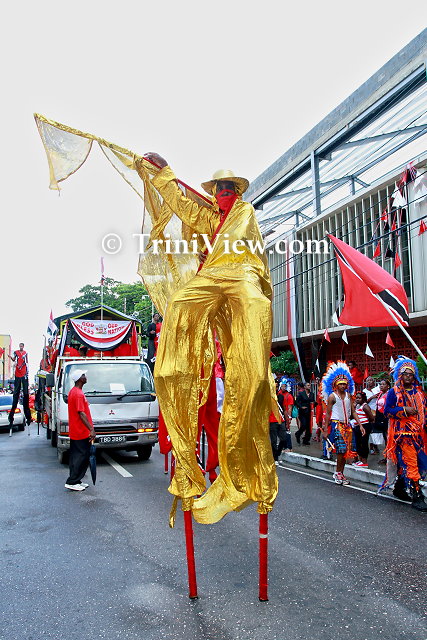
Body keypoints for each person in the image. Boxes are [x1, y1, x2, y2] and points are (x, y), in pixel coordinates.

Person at [143, 154, 278, 524]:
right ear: (215, 192)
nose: (224, 193)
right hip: (213, 276)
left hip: (242, 274)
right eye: (219, 188)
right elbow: (182, 205)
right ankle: (173, 371)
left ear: (237, 192)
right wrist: (164, 174)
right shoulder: (208, 217)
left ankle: (248, 468)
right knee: (179, 303)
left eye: (229, 188)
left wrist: (213, 238)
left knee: (256, 307)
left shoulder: (245, 212)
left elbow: (240, 241)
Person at [383, 356, 427, 511]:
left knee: (413, 463)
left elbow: (424, 412)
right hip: (402, 434)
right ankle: (417, 496)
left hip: (419, 434)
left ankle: (399, 488)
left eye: (410, 374)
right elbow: (387, 411)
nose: (408, 377)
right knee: (411, 463)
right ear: (400, 376)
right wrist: (404, 410)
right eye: (405, 374)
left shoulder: (419, 393)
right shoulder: (393, 392)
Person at [322, 361, 364, 485]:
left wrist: (360, 425)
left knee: (346, 452)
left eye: (344, 384)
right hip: (337, 425)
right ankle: (337, 472)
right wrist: (325, 430)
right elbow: (328, 414)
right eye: (340, 384)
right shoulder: (332, 397)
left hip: (348, 426)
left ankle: (341, 473)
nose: (342, 386)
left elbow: (353, 412)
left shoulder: (349, 396)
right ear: (336, 384)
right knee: (341, 450)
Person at [65, 369, 96, 491]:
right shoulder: (78, 394)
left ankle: (76, 480)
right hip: (80, 431)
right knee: (80, 457)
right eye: (84, 375)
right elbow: (81, 413)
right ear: (79, 379)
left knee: (77, 456)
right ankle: (72, 481)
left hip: (77, 430)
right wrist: (91, 429)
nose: (86, 376)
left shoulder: (74, 391)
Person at [8, 343, 32, 426]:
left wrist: (26, 371)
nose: (21, 347)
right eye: (20, 346)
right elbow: (14, 359)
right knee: (16, 392)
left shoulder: (25, 353)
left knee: (26, 394)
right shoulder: (16, 352)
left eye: (22, 346)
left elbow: (27, 362)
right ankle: (11, 415)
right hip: (18, 373)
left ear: (23, 347)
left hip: (24, 373)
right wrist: (11, 358)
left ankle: (28, 416)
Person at [352, 391, 374, 467]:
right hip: (357, 426)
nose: (357, 399)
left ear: (363, 399)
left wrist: (366, 424)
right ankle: (360, 459)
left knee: (363, 443)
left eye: (359, 398)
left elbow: (371, 417)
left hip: (364, 426)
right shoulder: (357, 406)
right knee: (358, 443)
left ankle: (364, 461)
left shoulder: (365, 406)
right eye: (356, 398)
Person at [375, 378, 391, 465]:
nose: (381, 386)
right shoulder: (380, 394)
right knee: (385, 438)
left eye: (383, 384)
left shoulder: (388, 395)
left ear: (388, 386)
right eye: (380, 384)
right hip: (380, 417)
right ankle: (386, 456)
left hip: (386, 418)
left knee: (388, 437)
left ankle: (389, 457)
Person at [364, 376, 381, 454]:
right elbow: (364, 402)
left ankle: (376, 446)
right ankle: (371, 448)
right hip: (369, 412)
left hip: (377, 412)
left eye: (371, 380)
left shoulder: (377, 390)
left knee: (376, 430)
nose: (370, 382)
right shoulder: (364, 391)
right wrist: (371, 397)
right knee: (370, 430)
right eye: (368, 380)